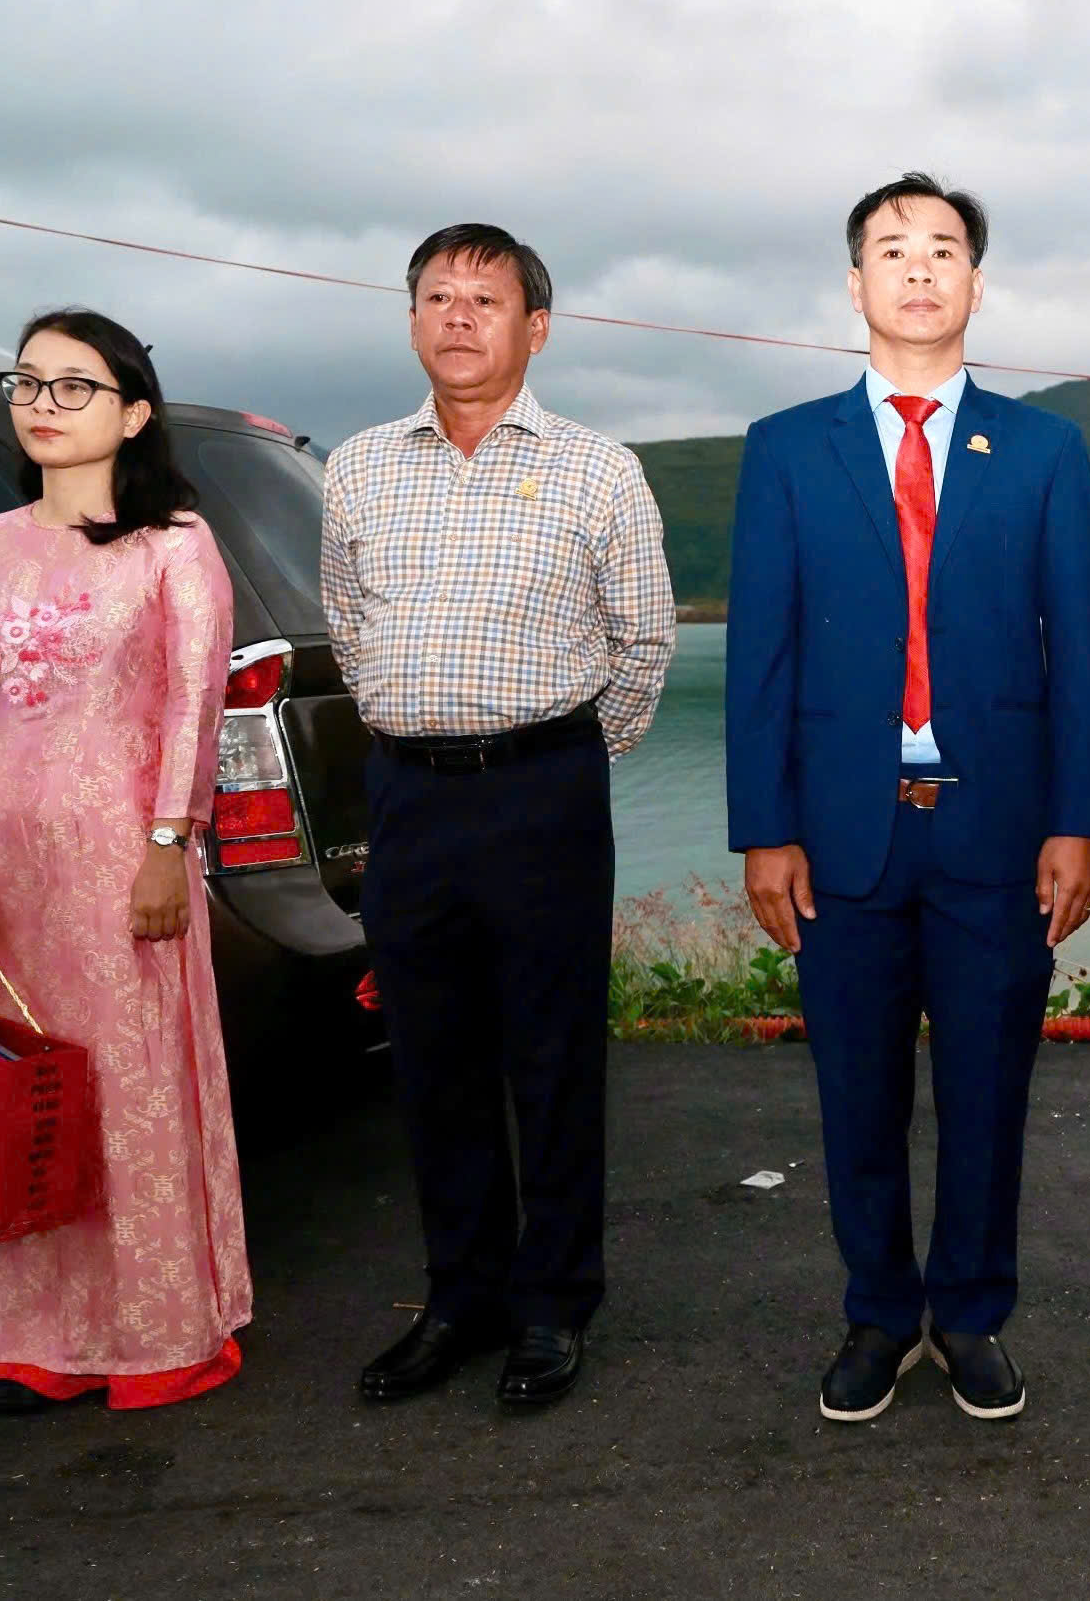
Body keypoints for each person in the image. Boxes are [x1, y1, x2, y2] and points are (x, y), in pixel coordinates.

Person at [726, 173, 1090, 1423]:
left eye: (942, 248)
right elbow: (760, 657)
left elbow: (1077, 652)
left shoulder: (1044, 449)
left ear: (974, 285)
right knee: (857, 1091)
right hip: (841, 832)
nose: (917, 268)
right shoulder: (786, 448)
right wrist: (763, 828)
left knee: (988, 1090)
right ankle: (880, 1313)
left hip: (995, 826)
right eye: (891, 248)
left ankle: (972, 1314)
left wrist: (1077, 821)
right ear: (855, 284)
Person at [323, 224, 673, 1407]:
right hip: (407, 792)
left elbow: (642, 645)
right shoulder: (358, 467)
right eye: (437, 296)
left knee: (552, 1054)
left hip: (540, 790)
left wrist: (551, 760)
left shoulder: (597, 469)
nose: (458, 316)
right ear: (411, 320)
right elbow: (348, 625)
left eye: (485, 298)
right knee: (431, 1055)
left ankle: (553, 1301)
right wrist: (416, 731)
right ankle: (459, 1295)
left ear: (536, 328)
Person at [0, 308, 250, 1413]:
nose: (43, 404)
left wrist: (167, 845)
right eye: (28, 382)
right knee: (21, 1088)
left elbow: (194, 709)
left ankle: (156, 1331)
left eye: (74, 385)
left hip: (124, 859)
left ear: (134, 412)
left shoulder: (174, 545)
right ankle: (34, 1337)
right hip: (6, 869)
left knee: (131, 1089)